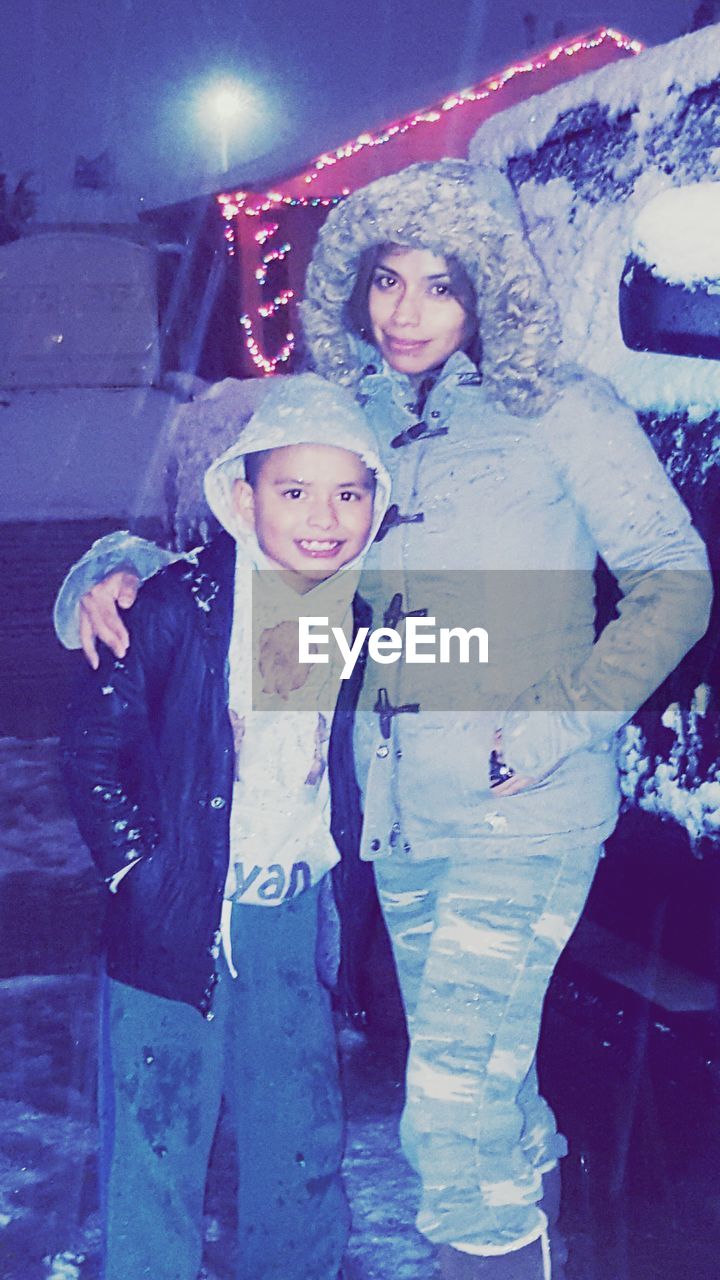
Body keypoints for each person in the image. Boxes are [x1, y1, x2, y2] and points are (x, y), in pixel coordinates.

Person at [57, 160, 712, 1279]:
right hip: (400, 826)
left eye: (441, 284)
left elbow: (673, 579)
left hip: (524, 807)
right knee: (489, 1080)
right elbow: (243, 554)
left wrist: (557, 726)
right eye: (387, 280)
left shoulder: (561, 409)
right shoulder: (349, 418)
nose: (406, 312)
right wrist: (108, 573)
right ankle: (544, 1237)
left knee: (451, 1106)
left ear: (488, 288)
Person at [60, 372, 390, 1280]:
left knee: (300, 1147)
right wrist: (144, 874)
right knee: (159, 1139)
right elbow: (90, 752)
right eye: (294, 491)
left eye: (349, 493)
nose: (323, 516)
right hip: (174, 921)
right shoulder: (179, 607)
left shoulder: (357, 622)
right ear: (243, 498)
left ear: (375, 504)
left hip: (290, 921)